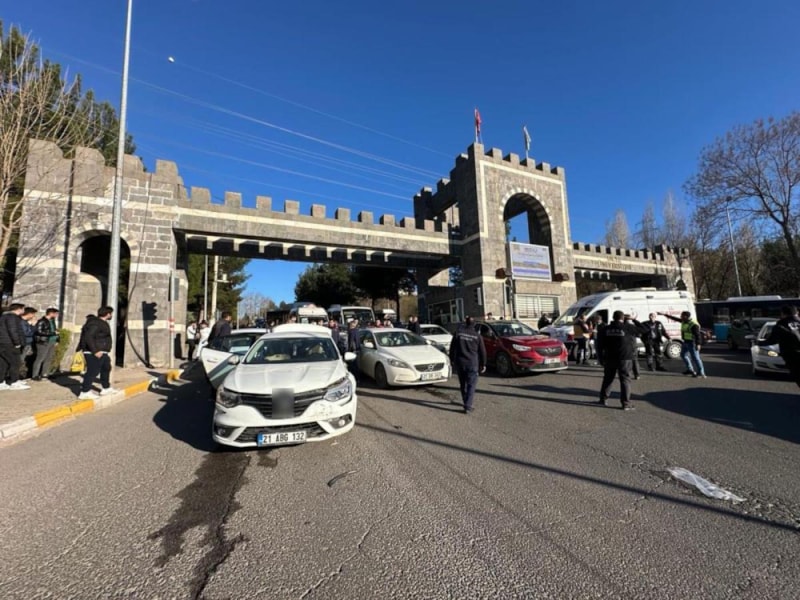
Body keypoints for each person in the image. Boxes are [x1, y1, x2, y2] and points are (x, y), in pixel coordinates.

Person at [596, 310, 642, 410]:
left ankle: (603, 399)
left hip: (610, 358)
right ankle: (625, 403)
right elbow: (644, 330)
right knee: (625, 380)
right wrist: (634, 320)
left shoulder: (605, 329)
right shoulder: (628, 327)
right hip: (625, 358)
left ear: (613, 317)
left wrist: (600, 358)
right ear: (623, 318)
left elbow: (599, 345)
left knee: (608, 378)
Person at [77, 307, 118, 400]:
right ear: (107, 314)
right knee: (93, 371)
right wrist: (95, 350)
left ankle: (106, 388)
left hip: (102, 351)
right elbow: (89, 337)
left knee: (106, 368)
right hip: (93, 352)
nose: (111, 315)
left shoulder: (102, 323)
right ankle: (85, 392)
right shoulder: (95, 323)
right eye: (110, 313)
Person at [448, 316, 487, 414]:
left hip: (460, 363)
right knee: (471, 385)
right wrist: (483, 364)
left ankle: (466, 402)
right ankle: (468, 406)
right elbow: (482, 352)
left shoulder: (458, 333)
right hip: (472, 363)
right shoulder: (477, 336)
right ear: (474, 325)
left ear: (466, 323)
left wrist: (451, 359)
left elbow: (452, 348)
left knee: (463, 384)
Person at [758, 305, 800, 388]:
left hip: (793, 357)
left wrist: (758, 343)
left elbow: (772, 340)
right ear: (797, 313)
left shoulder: (781, 325)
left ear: (783, 314)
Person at [662, 311, 706, 378]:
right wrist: (665, 315)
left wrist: (698, 344)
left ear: (686, 316)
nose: (681, 317)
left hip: (692, 343)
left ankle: (701, 373)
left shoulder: (693, 324)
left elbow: (698, 335)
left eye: (682, 315)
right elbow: (675, 319)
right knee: (683, 355)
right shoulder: (684, 321)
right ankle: (690, 370)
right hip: (686, 342)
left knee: (696, 358)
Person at [0, 303, 30, 390]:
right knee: (15, 362)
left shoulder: (4, 316)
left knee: (4, 363)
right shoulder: (12, 317)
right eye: (23, 309)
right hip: (9, 343)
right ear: (19, 309)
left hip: (3, 343)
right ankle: (14, 382)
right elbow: (13, 330)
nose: (24, 311)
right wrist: (17, 343)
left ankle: (1, 382)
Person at [32, 307, 60, 380]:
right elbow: (39, 331)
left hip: (52, 341)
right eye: (56, 313)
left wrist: (57, 340)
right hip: (43, 342)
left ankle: (45, 374)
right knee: (40, 358)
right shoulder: (41, 321)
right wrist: (52, 333)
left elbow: (55, 331)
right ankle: (35, 375)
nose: (57, 315)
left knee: (49, 358)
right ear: (51, 313)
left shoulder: (52, 321)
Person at [19, 306, 38, 379]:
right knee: (20, 360)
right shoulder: (22, 322)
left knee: (23, 360)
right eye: (33, 314)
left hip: (27, 343)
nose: (34, 316)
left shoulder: (25, 322)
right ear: (30, 314)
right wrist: (33, 326)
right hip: (24, 343)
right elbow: (27, 333)